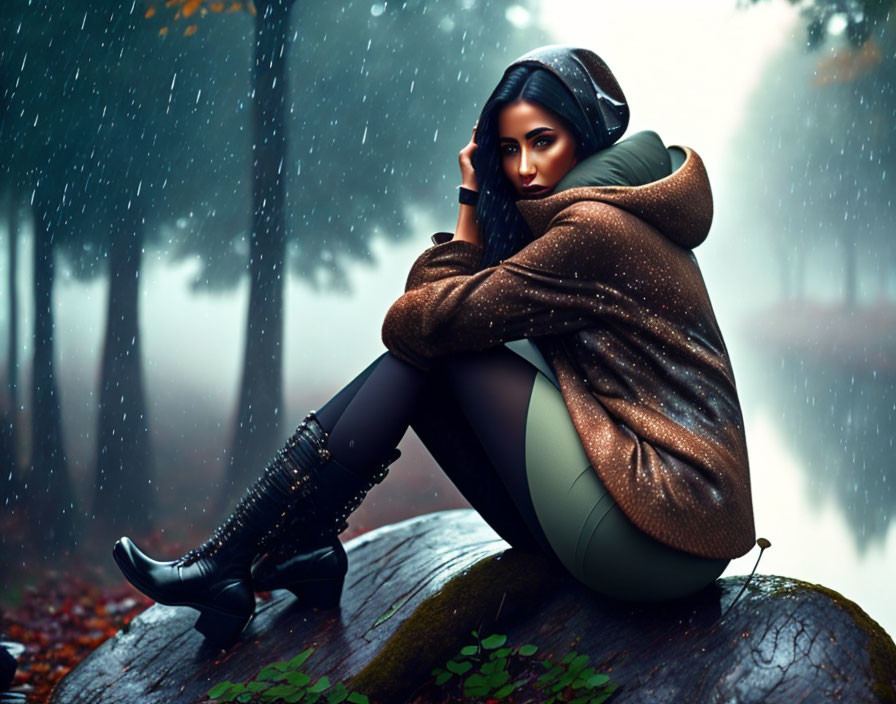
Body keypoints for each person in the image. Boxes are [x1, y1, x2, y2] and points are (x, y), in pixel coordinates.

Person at [113, 45, 756, 646]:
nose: (524, 169)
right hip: (674, 521)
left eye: (542, 142)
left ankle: (241, 555)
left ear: (583, 137)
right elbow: (433, 319)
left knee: (440, 352)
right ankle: (280, 551)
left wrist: (469, 206)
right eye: (507, 150)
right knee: (440, 350)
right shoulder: (621, 206)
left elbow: (414, 325)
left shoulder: (591, 230)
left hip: (657, 533)